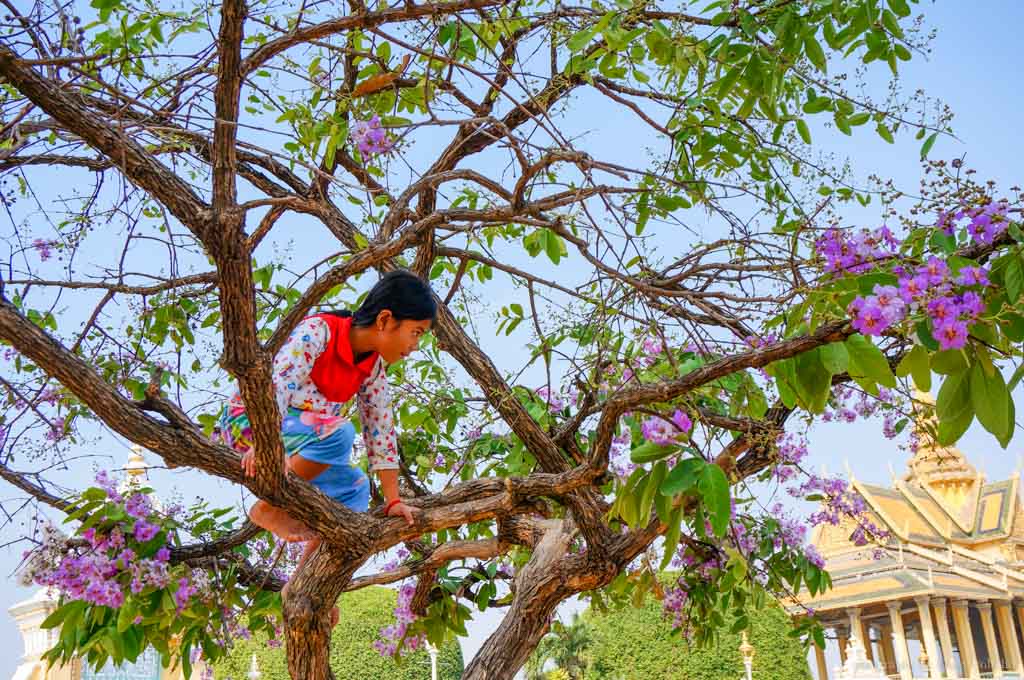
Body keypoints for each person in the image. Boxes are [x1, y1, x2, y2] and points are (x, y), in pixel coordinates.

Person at [219, 269, 434, 550]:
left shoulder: (373, 368)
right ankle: (269, 508)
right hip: (252, 423)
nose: (415, 346)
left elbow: (380, 430)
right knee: (341, 432)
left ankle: (300, 587)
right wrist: (264, 441)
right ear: (384, 319)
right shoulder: (319, 331)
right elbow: (278, 386)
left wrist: (393, 500)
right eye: (415, 333)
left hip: (297, 445)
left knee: (356, 488)